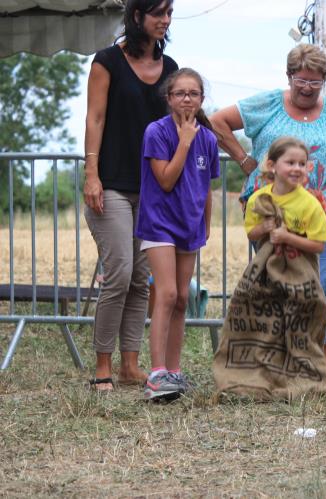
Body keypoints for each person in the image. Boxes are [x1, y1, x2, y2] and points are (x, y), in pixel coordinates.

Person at [210, 43, 326, 384]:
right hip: (269, 213)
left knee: (316, 287)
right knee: (272, 285)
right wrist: (246, 163)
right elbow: (217, 122)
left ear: (324, 80)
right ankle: (274, 360)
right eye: (300, 80)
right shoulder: (267, 105)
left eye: (314, 82)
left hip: (318, 214)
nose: (306, 87)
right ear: (288, 76)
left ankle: (324, 363)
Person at [83, 0, 177, 392]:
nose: (165, 20)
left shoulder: (169, 67)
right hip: (111, 185)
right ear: (137, 16)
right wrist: (91, 173)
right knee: (120, 272)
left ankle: (130, 365)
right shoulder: (107, 61)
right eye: (158, 13)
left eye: (169, 13)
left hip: (152, 191)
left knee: (142, 279)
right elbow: (95, 117)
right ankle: (102, 367)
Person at [136, 68, 219, 401]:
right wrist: (184, 142)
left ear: (201, 99)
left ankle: (174, 370)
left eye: (193, 93)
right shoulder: (156, 132)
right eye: (180, 93)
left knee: (183, 298)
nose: (187, 99)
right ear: (169, 98)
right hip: (160, 223)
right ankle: (156, 374)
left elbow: (207, 188)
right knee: (167, 293)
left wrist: (207, 225)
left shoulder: (209, 139)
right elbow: (166, 180)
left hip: (190, 225)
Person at [245, 136, 326, 254]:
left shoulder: (311, 204)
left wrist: (287, 238)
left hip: (300, 271)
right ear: (271, 166)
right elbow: (250, 235)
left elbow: (319, 246)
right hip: (268, 269)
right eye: (290, 163)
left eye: (302, 164)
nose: (297, 168)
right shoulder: (258, 200)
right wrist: (263, 228)